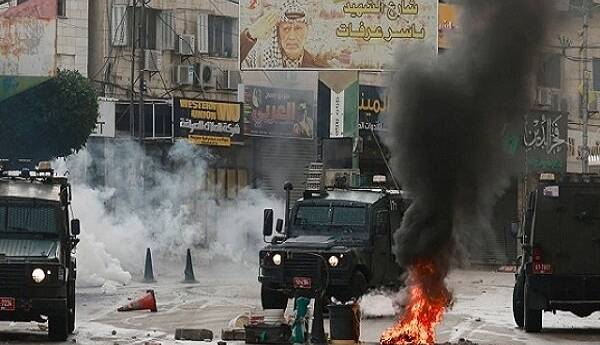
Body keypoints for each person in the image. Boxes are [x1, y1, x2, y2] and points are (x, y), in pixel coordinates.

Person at [240, 0, 330, 69]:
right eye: (286, 29)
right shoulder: (257, 62)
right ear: (278, 32)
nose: (291, 37)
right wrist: (250, 34)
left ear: (307, 31)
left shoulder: (320, 66)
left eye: (298, 28)